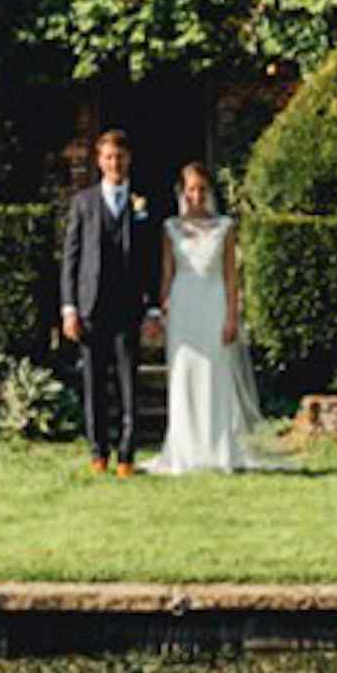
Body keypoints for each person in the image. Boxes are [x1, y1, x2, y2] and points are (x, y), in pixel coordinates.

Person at [153, 161, 278, 475]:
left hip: (214, 304)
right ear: (183, 192)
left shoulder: (225, 227)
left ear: (209, 192)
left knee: (214, 375)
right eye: (190, 189)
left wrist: (232, 317)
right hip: (183, 307)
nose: (196, 195)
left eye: (201, 189)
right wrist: (161, 310)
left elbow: (231, 276)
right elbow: (166, 274)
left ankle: (218, 450)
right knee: (184, 375)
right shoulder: (170, 227)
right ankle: (185, 450)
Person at [58, 128, 159, 473]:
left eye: (120, 156)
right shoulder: (83, 203)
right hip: (91, 309)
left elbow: (152, 260)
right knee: (94, 386)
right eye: (108, 157)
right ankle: (98, 453)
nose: (114, 163)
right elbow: (70, 259)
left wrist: (153, 307)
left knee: (129, 385)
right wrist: (69, 308)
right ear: (99, 162)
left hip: (129, 309)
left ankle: (127, 456)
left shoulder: (142, 203)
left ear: (128, 159)